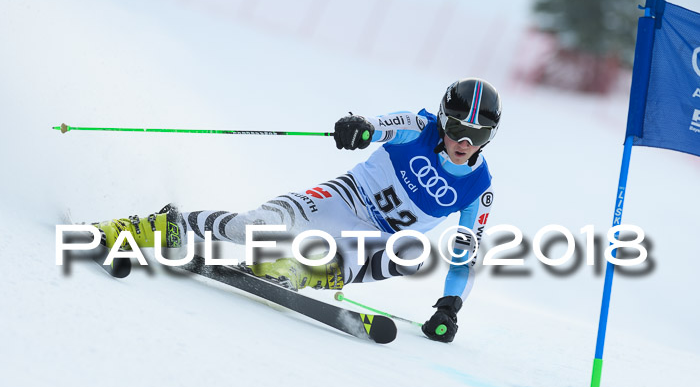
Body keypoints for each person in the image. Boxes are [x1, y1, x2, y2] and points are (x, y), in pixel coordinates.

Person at [93, 78, 502, 343]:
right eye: (456, 129)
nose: (463, 141)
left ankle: (292, 270)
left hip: (373, 242)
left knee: (413, 254)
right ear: (443, 119)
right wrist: (358, 127)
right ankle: (162, 225)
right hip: (341, 200)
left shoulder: (478, 190)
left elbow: (464, 256)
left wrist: (450, 305)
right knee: (249, 227)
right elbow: (380, 125)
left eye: (477, 134)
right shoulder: (420, 124)